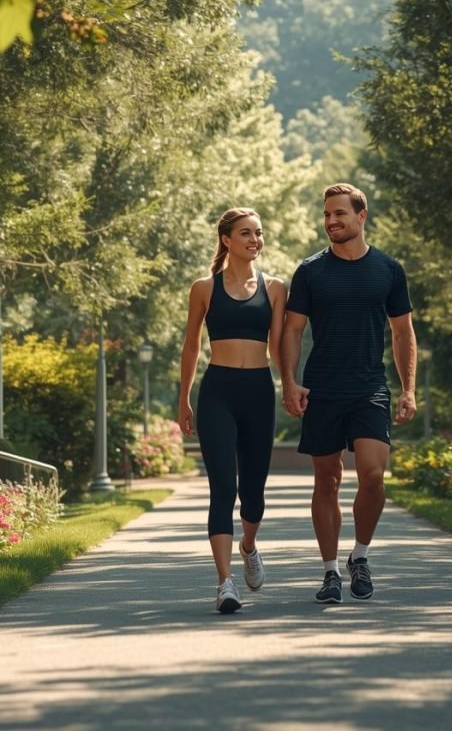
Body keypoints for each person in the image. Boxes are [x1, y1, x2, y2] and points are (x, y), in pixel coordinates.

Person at [280, 183, 417, 604]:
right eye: (326, 214)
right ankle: (330, 571)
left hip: (369, 386)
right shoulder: (310, 271)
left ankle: (360, 555)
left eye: (339, 213)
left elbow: (403, 333)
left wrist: (409, 389)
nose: (331, 221)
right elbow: (292, 330)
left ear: (361, 215)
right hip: (322, 388)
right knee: (327, 479)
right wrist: (289, 382)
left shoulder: (388, 270)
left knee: (373, 475)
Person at [178, 207, 287, 614]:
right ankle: (225, 583)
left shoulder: (275, 288)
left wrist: (291, 385)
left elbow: (278, 346)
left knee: (253, 493)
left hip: (259, 391)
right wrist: (184, 399)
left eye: (259, 233)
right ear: (226, 239)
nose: (255, 240)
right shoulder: (204, 288)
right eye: (246, 233)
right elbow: (192, 345)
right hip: (218, 392)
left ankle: (249, 546)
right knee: (223, 487)